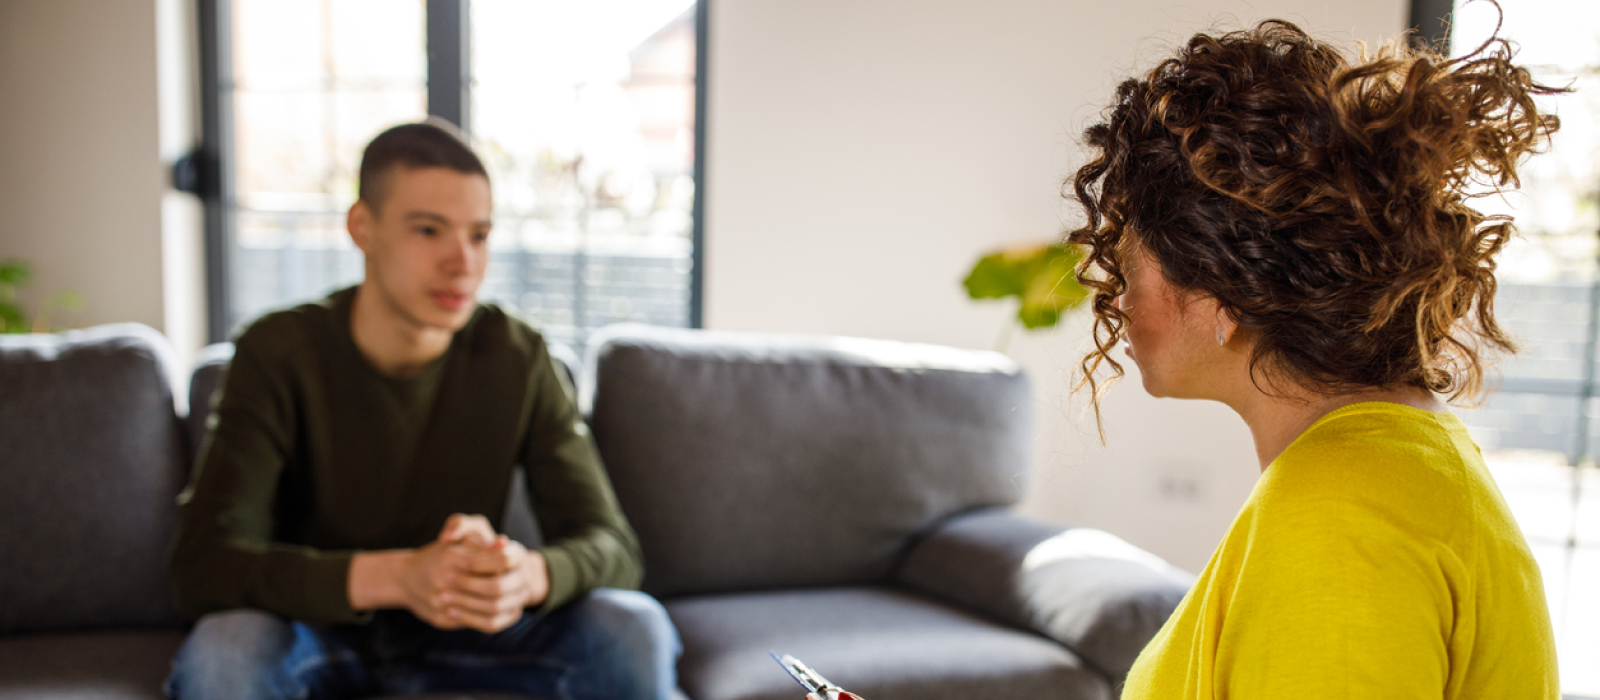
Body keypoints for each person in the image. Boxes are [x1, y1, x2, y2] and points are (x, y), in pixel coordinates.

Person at [1063, 15, 1562, 700]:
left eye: (1131, 267)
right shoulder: (1393, 462)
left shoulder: (1341, 515)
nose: (1116, 303)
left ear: (1220, 289)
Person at [165, 120, 680, 700]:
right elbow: (203, 568)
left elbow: (613, 548)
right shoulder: (278, 353)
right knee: (225, 647)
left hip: (475, 636)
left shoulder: (519, 356)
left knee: (631, 627)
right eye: (429, 230)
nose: (463, 262)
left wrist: (524, 575)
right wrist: (398, 578)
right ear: (363, 228)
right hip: (317, 634)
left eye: (479, 234)